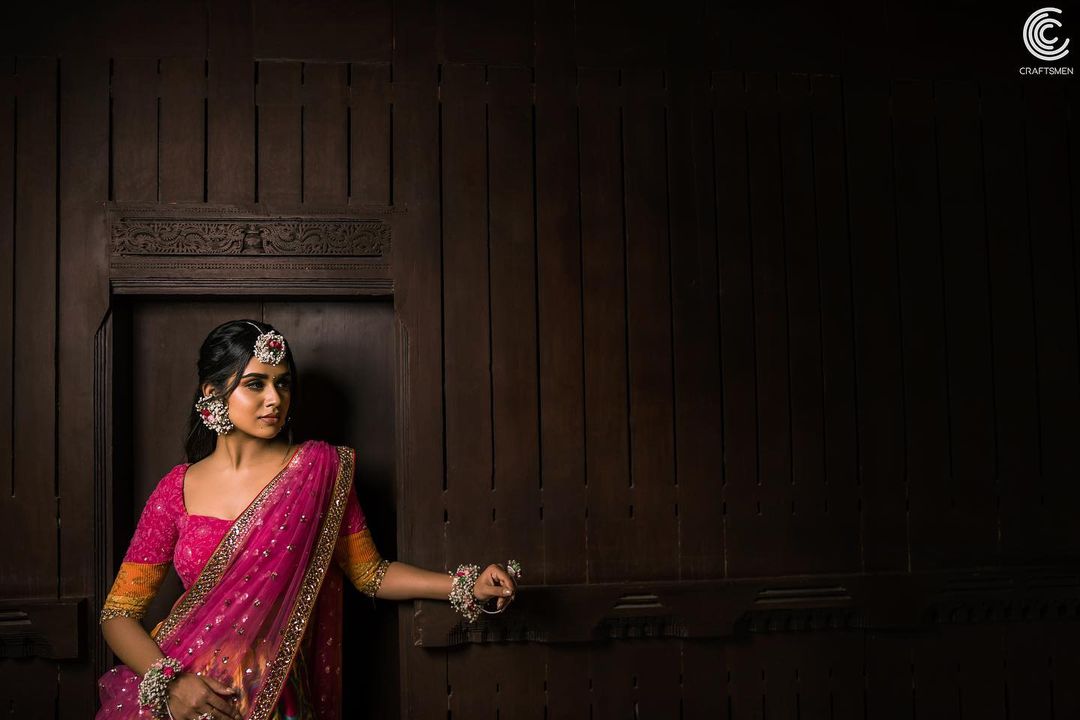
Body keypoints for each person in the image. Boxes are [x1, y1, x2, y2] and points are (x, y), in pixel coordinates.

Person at [97, 320, 519, 720]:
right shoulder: (176, 489)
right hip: (183, 699)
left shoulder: (319, 473)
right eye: (255, 384)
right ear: (212, 392)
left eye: (282, 383)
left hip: (277, 696)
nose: (275, 399)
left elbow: (370, 573)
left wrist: (466, 584)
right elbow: (118, 613)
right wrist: (172, 685)